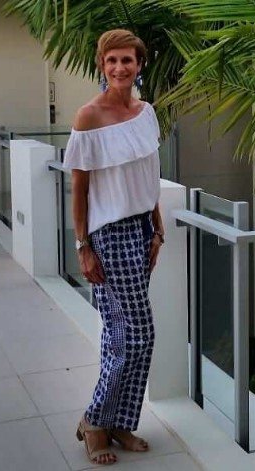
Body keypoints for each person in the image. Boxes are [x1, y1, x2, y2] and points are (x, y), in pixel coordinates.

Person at [63, 29, 164, 466]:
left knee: (120, 333)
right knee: (137, 335)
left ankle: (119, 422)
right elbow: (79, 188)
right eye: (112, 60)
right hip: (110, 235)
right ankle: (94, 421)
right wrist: (83, 246)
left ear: (139, 65)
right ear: (102, 66)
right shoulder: (89, 117)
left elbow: (149, 176)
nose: (120, 67)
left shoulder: (146, 113)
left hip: (141, 230)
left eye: (127, 60)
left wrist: (157, 229)